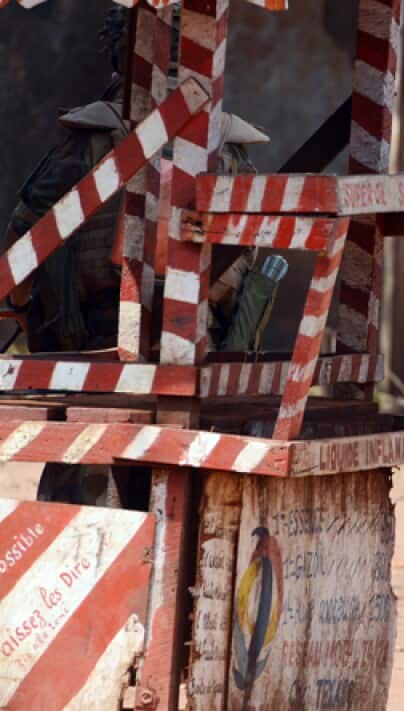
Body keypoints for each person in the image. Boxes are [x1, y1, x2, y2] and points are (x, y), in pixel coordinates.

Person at [2, 7, 282, 508]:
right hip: (206, 352)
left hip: (100, 354)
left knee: (84, 511)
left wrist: (29, 313)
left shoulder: (88, 140)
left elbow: (23, 241)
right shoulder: (230, 149)